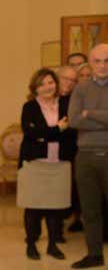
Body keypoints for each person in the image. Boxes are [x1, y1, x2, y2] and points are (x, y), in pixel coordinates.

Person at [19, 68, 73, 260]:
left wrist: (45, 133)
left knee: (55, 207)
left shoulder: (66, 104)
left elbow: (71, 132)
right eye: (42, 84)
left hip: (60, 164)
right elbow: (31, 133)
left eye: (50, 82)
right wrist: (58, 129)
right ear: (35, 88)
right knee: (33, 207)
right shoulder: (29, 107)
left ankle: (52, 245)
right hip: (35, 164)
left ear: (56, 84)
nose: (47, 87)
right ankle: (31, 244)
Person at [68, 43, 108, 269]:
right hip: (85, 156)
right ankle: (94, 254)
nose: (102, 65)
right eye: (97, 61)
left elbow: (83, 118)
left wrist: (89, 113)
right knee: (90, 209)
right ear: (90, 63)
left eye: (107, 61)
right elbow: (74, 120)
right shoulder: (81, 89)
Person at [56, 66, 82, 234]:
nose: (69, 83)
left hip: (73, 149)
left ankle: (76, 219)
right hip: (53, 151)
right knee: (57, 190)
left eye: (73, 80)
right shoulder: (49, 98)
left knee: (74, 188)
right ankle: (56, 227)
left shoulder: (77, 99)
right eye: (66, 78)